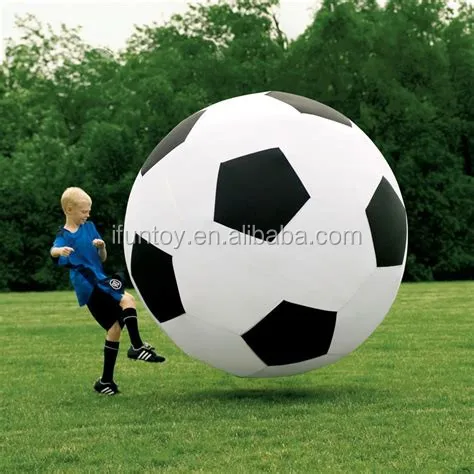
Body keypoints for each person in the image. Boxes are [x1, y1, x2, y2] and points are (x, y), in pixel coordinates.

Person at [50, 187, 165, 395]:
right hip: (89, 284)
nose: (88, 214)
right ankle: (137, 346)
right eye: (84, 211)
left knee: (114, 328)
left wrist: (101, 247)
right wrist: (60, 251)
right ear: (69, 209)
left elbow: (102, 258)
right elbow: (53, 250)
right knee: (127, 299)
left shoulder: (90, 227)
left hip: (100, 279)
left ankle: (105, 382)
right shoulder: (64, 235)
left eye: (89, 210)